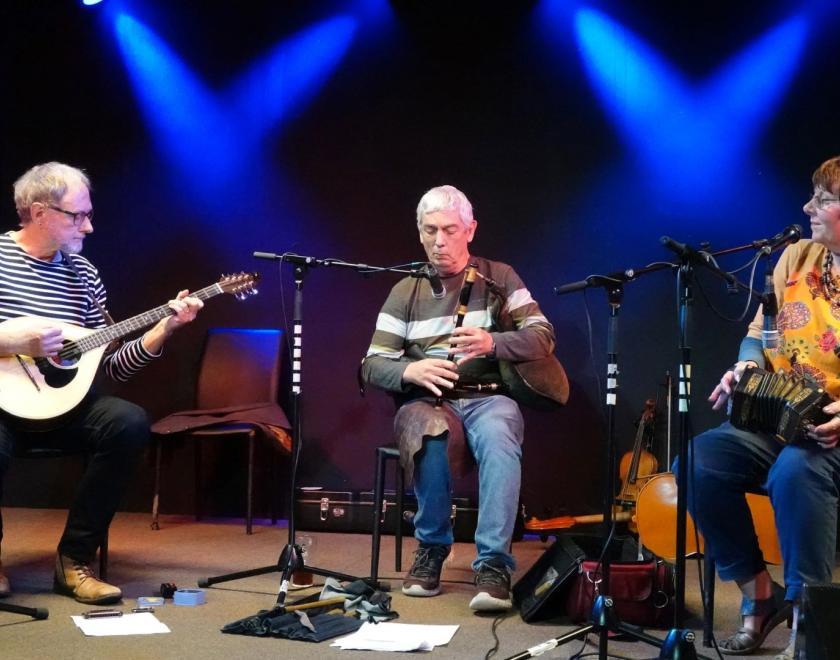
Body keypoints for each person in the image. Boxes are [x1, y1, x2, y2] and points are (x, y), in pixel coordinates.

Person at [0, 162, 203, 604]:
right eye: (77, 216)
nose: (88, 226)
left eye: (88, 215)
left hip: (60, 407)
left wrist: (162, 331)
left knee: (126, 421)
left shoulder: (84, 276)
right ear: (38, 213)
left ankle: (73, 559)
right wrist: (11, 338)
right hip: (3, 408)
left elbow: (108, 367)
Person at [360, 184, 556, 612]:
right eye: (430, 230)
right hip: (429, 400)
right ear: (419, 232)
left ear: (471, 230)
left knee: (501, 438)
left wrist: (493, 342)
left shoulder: (499, 277)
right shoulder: (406, 290)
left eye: (450, 229)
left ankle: (493, 564)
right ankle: (432, 547)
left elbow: (543, 336)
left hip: (488, 395)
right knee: (429, 434)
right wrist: (411, 370)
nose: (439, 240)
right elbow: (372, 363)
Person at [680, 156, 840, 659]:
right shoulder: (794, 257)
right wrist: (746, 367)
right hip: (778, 418)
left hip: (831, 432)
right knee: (699, 463)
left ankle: (807, 617)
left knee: (796, 474)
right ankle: (759, 595)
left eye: (824, 199)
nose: (807, 206)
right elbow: (758, 332)